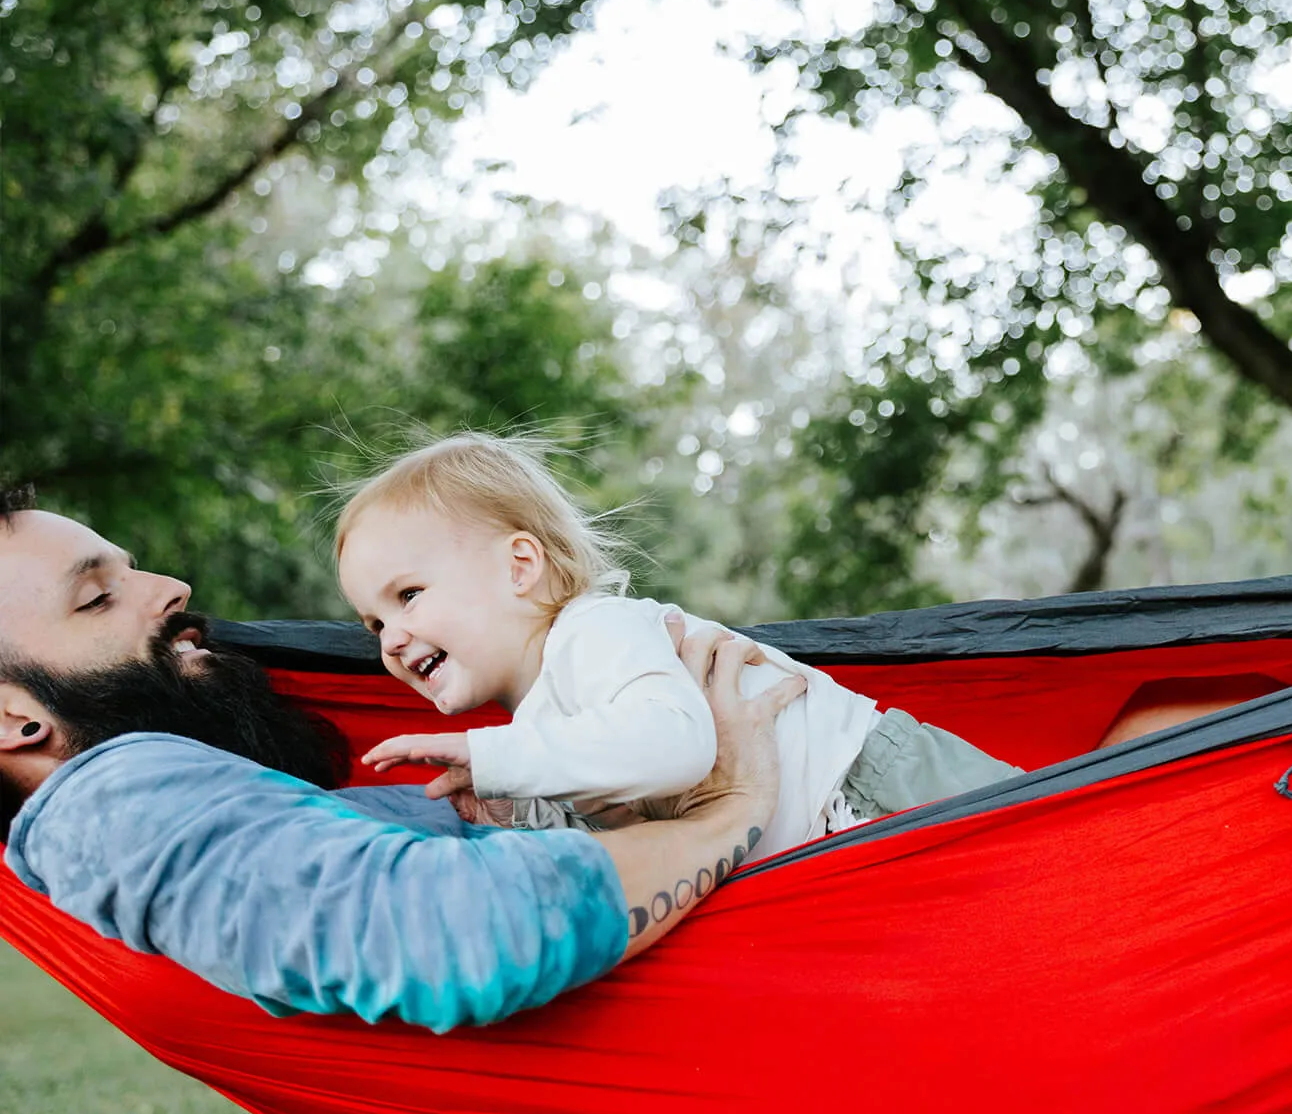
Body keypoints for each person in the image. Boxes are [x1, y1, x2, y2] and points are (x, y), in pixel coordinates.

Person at [0, 484, 795, 1030]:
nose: (173, 587)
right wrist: (731, 812)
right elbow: (460, 931)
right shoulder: (107, 803)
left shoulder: (183, 794)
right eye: (97, 597)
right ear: (11, 718)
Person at [333, 433, 1018, 858]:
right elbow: (628, 821)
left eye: (409, 596)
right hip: (824, 852)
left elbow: (671, 746)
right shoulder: (544, 719)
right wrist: (520, 811)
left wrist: (497, 755)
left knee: (1054, 870)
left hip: (873, 787)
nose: (391, 639)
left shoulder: (593, 632)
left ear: (519, 566)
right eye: (372, 624)